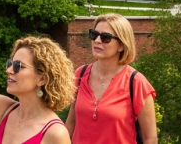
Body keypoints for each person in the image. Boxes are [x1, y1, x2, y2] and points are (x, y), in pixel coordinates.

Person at [64, 13, 157, 144]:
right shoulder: (80, 74)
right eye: (94, 34)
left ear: (121, 45)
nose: (97, 40)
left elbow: (150, 139)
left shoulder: (136, 82)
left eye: (105, 37)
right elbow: (71, 124)